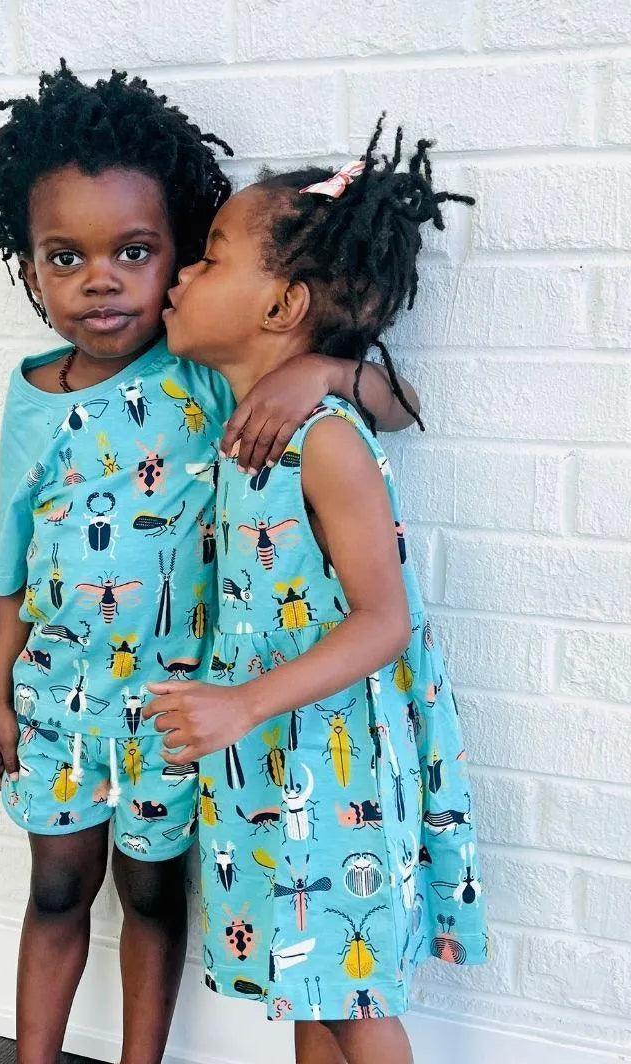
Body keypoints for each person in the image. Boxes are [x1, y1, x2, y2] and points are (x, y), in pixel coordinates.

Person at [0, 64, 422, 1064]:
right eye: (65, 255)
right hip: (63, 700)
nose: (106, 279)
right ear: (29, 263)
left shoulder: (209, 375)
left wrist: (318, 366)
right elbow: (9, 561)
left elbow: (392, 401)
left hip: (180, 708)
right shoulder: (31, 398)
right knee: (55, 888)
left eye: (140, 251)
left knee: (153, 892)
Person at [146, 117, 489, 1064]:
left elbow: (386, 620)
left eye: (209, 258)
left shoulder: (323, 437)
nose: (178, 275)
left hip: (329, 763)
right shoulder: (243, 411)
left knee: (353, 1002)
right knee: (310, 979)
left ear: (281, 305)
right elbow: (399, 397)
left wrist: (329, 369)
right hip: (272, 752)